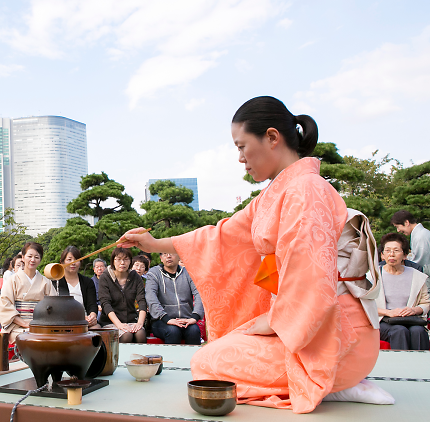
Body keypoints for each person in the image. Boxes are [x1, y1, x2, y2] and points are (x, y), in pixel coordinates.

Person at [120, 96, 385, 413]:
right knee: (214, 353)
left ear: (272, 137)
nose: (241, 157)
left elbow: (311, 280)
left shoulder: (306, 189)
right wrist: (154, 244)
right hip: (305, 326)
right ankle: (332, 381)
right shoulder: (277, 193)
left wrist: (272, 320)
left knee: (206, 362)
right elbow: (223, 236)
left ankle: (333, 381)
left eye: (242, 146)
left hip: (336, 336)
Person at [376, 233, 429, 350]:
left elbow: (426, 303)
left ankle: (422, 367)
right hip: (383, 320)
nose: (391, 254)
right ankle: (400, 367)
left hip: (410, 319)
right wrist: (388, 312)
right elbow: (364, 305)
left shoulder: (418, 276)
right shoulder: (373, 277)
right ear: (382, 255)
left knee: (418, 331)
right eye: (388, 250)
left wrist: (414, 310)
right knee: (399, 330)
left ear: (405, 255)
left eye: (396, 250)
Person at [0, 242, 55, 342]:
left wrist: (40, 324)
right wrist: (24, 323)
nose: (32, 260)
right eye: (29, 256)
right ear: (23, 257)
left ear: (40, 260)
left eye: (36, 257)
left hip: (41, 326)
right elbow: (5, 305)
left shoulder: (46, 282)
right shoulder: (13, 280)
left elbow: (54, 306)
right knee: (26, 338)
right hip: (17, 327)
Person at [145, 252, 204, 345]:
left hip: (186, 319)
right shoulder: (154, 273)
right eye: (165, 254)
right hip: (161, 321)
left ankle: (193, 359)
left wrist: (195, 317)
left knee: (194, 331)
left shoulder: (188, 273)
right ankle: (171, 359)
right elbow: (150, 297)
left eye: (172, 253)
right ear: (161, 258)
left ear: (179, 256)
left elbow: (199, 294)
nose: (168, 256)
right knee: (173, 331)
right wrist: (166, 319)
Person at [98, 247, 147, 343]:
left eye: (126, 259)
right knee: (127, 335)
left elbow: (142, 300)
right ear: (113, 261)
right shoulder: (105, 277)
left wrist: (140, 323)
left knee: (140, 334)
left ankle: (140, 358)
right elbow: (105, 304)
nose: (122, 263)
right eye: (119, 259)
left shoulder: (135, 277)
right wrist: (119, 324)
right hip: (110, 322)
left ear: (130, 261)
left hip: (131, 320)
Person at [53, 246, 100, 328]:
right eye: (69, 260)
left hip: (85, 321)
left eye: (76, 260)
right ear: (62, 262)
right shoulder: (56, 283)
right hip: (64, 321)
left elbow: (92, 304)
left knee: (96, 329)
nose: (73, 263)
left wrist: (92, 317)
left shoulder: (88, 282)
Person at [391, 210, 430, 276]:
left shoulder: (420, 236)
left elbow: (420, 262)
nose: (398, 230)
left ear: (406, 223)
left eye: (397, 227)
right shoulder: (420, 234)